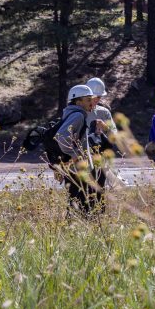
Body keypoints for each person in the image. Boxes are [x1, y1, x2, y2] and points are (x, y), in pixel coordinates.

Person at [55, 84, 106, 215]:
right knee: (79, 202)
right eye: (88, 99)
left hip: (74, 167)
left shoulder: (73, 113)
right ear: (78, 101)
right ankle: (76, 228)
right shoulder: (78, 115)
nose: (91, 102)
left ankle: (75, 228)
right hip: (76, 168)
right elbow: (61, 136)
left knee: (76, 201)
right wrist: (74, 155)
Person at [85, 77, 117, 148]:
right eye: (94, 96)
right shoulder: (76, 112)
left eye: (98, 97)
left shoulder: (104, 112)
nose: (96, 100)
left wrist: (105, 127)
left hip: (100, 156)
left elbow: (115, 137)